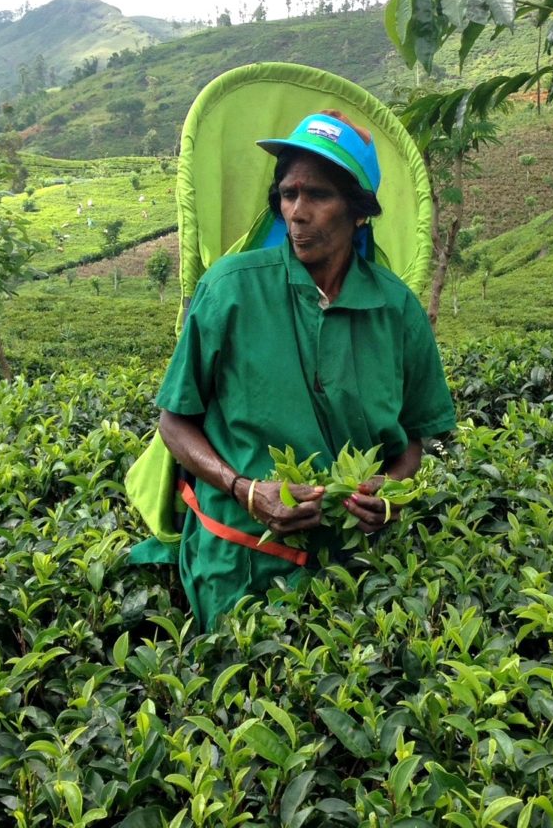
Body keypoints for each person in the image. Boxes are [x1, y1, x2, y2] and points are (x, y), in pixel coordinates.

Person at [156, 110, 456, 630]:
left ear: (359, 210)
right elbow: (174, 422)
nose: (297, 212)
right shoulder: (229, 290)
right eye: (289, 193)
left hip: (356, 574)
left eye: (318, 195)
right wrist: (243, 488)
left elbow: (411, 438)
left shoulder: (396, 310)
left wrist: (390, 489)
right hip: (238, 570)